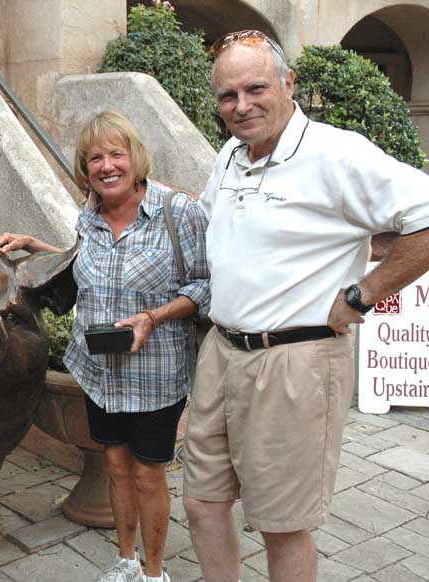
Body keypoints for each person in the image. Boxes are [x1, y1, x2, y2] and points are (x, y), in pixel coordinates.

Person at [182, 30, 429, 582]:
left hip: (295, 360)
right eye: (227, 95)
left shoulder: (337, 154)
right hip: (221, 352)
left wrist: (363, 293)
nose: (241, 106)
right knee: (201, 502)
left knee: (282, 525)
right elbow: (209, 220)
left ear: (288, 83)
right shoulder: (230, 155)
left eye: (255, 88)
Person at [0, 111, 209, 582]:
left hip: (154, 373)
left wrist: (153, 317)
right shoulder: (88, 215)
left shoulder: (178, 212)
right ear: (84, 168)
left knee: (148, 473)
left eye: (115, 154)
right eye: (94, 158)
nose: (106, 166)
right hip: (99, 370)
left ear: (135, 158)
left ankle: (154, 573)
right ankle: (126, 561)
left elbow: (205, 286)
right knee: (115, 467)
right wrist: (33, 244)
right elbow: (86, 265)